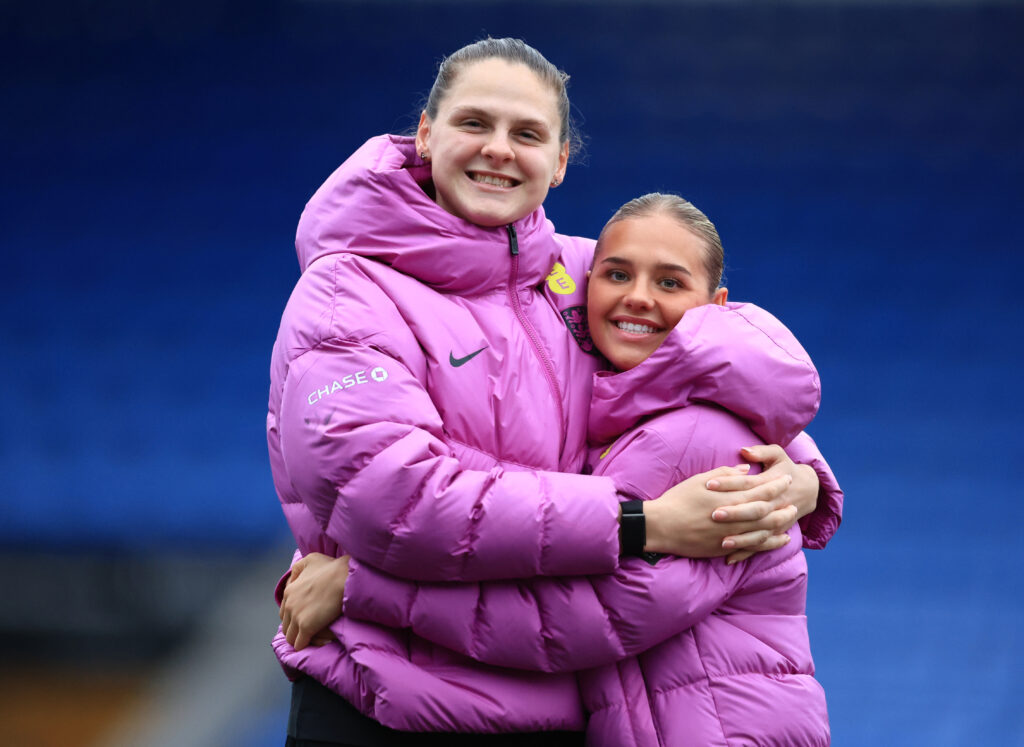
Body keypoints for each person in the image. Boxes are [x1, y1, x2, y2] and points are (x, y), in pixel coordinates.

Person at [268, 38, 842, 744]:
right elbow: (402, 500)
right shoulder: (346, 291)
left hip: (552, 716)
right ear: (425, 132)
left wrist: (800, 476)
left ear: (561, 160)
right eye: (475, 123)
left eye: (528, 133)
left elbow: (709, 378)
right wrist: (641, 523)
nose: (499, 150)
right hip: (386, 709)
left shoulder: (584, 275)